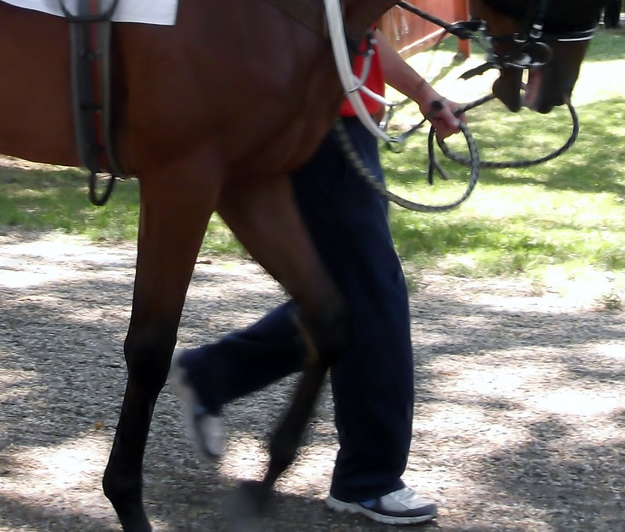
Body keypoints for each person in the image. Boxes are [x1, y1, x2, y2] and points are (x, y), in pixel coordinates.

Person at [168, 33, 465, 526]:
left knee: (344, 294)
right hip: (313, 124)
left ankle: (209, 374)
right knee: (372, 293)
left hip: (347, 123)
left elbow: (362, 32)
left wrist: (423, 93)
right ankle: (367, 481)